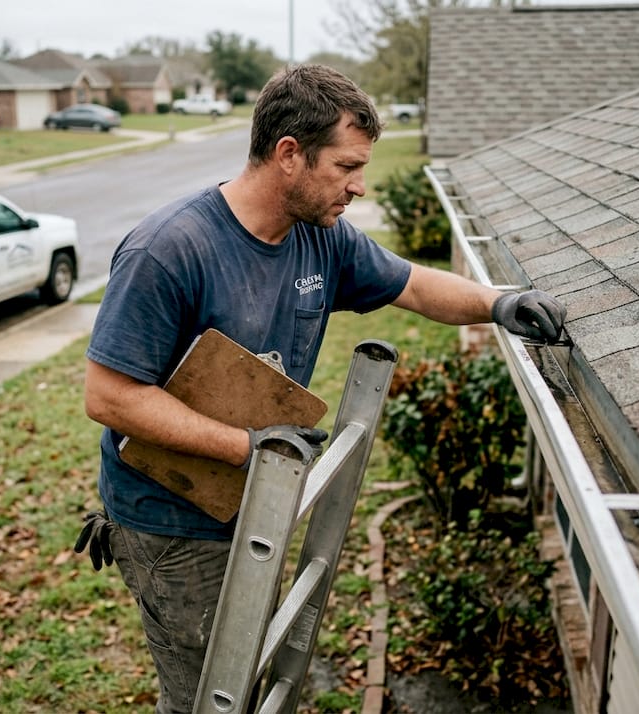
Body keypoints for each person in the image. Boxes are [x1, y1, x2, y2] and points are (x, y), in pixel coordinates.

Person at [75, 64, 566, 713]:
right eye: (346, 167)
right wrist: (250, 449)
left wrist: (500, 303)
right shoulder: (172, 249)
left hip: (251, 496)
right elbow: (109, 398)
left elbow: (415, 285)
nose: (359, 186)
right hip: (171, 520)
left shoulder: (321, 238)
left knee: (245, 675)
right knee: (205, 698)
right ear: (288, 155)